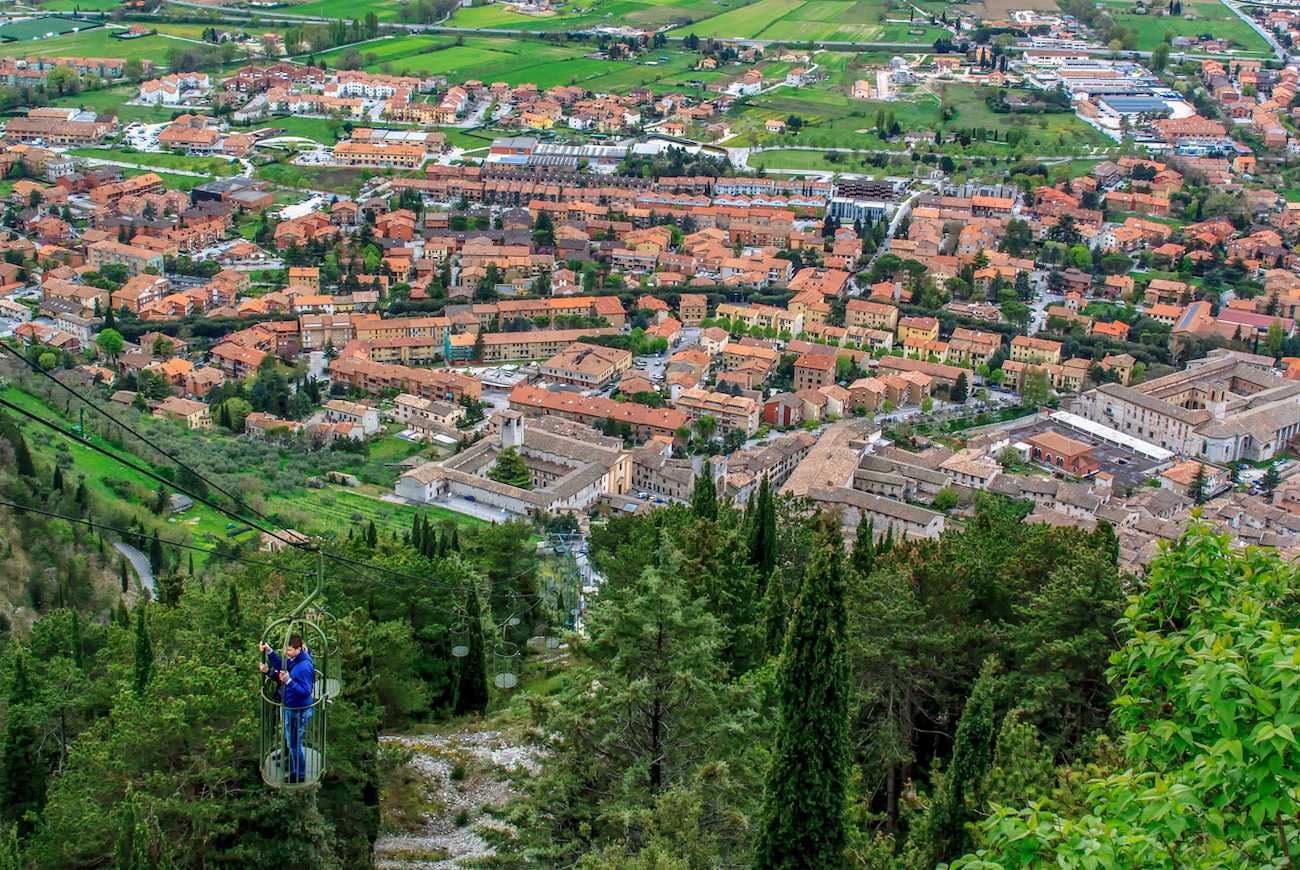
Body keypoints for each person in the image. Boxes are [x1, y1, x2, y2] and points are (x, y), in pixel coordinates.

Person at [259, 634, 315, 784]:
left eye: (289, 650)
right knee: (292, 741)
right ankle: (291, 761)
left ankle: (299, 774)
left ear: (298, 649)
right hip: (292, 708)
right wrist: (269, 652)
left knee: (295, 743)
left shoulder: (304, 667)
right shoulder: (295, 660)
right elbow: (281, 666)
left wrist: (288, 681)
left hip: (298, 710)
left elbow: (306, 691)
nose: (286, 652)